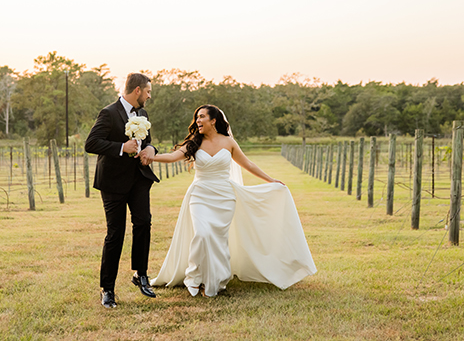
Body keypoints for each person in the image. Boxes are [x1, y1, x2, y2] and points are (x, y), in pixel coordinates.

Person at [150, 104, 316, 297]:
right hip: (200, 195)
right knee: (202, 234)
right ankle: (194, 276)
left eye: (202, 117)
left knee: (218, 240)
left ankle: (216, 281)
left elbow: (248, 164)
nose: (197, 121)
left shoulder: (228, 142)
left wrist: (270, 180)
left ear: (213, 120)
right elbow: (172, 157)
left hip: (224, 197)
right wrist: (151, 157)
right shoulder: (195, 142)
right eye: (196, 118)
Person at [85, 73, 160, 308]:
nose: (149, 95)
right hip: (113, 183)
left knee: (143, 223)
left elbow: (148, 142)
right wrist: (121, 147)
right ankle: (107, 289)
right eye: (147, 91)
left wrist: (152, 150)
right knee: (115, 234)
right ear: (137, 90)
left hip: (138, 179)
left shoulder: (143, 114)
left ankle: (141, 274)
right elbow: (91, 143)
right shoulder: (108, 113)